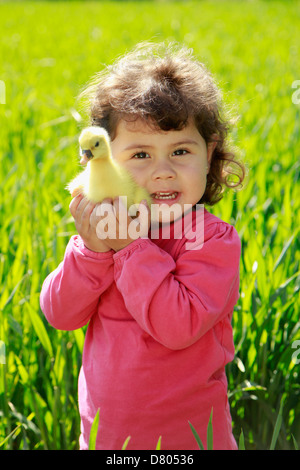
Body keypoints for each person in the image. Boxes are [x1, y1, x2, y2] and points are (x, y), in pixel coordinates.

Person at [40, 42, 245, 450]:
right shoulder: (105, 233)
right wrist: (94, 251)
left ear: (211, 154)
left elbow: (179, 326)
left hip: (191, 442)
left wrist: (130, 248)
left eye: (181, 151)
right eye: (140, 155)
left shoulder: (211, 239)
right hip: (105, 441)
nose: (163, 171)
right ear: (106, 164)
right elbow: (61, 314)